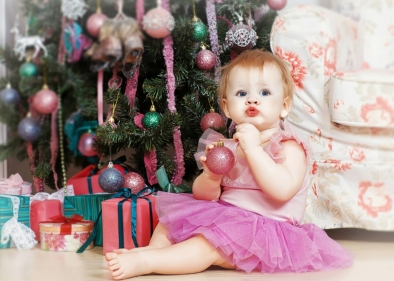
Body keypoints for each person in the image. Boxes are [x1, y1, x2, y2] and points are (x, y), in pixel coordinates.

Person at [105, 49, 353, 280]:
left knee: (208, 245)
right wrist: (211, 176)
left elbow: (282, 191)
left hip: (266, 232)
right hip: (225, 216)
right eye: (242, 94)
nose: (252, 100)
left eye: (265, 93)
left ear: (284, 106)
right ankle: (152, 252)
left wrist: (255, 150)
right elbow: (205, 198)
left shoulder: (288, 145)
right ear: (226, 107)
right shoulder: (225, 146)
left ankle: (148, 262)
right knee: (169, 223)